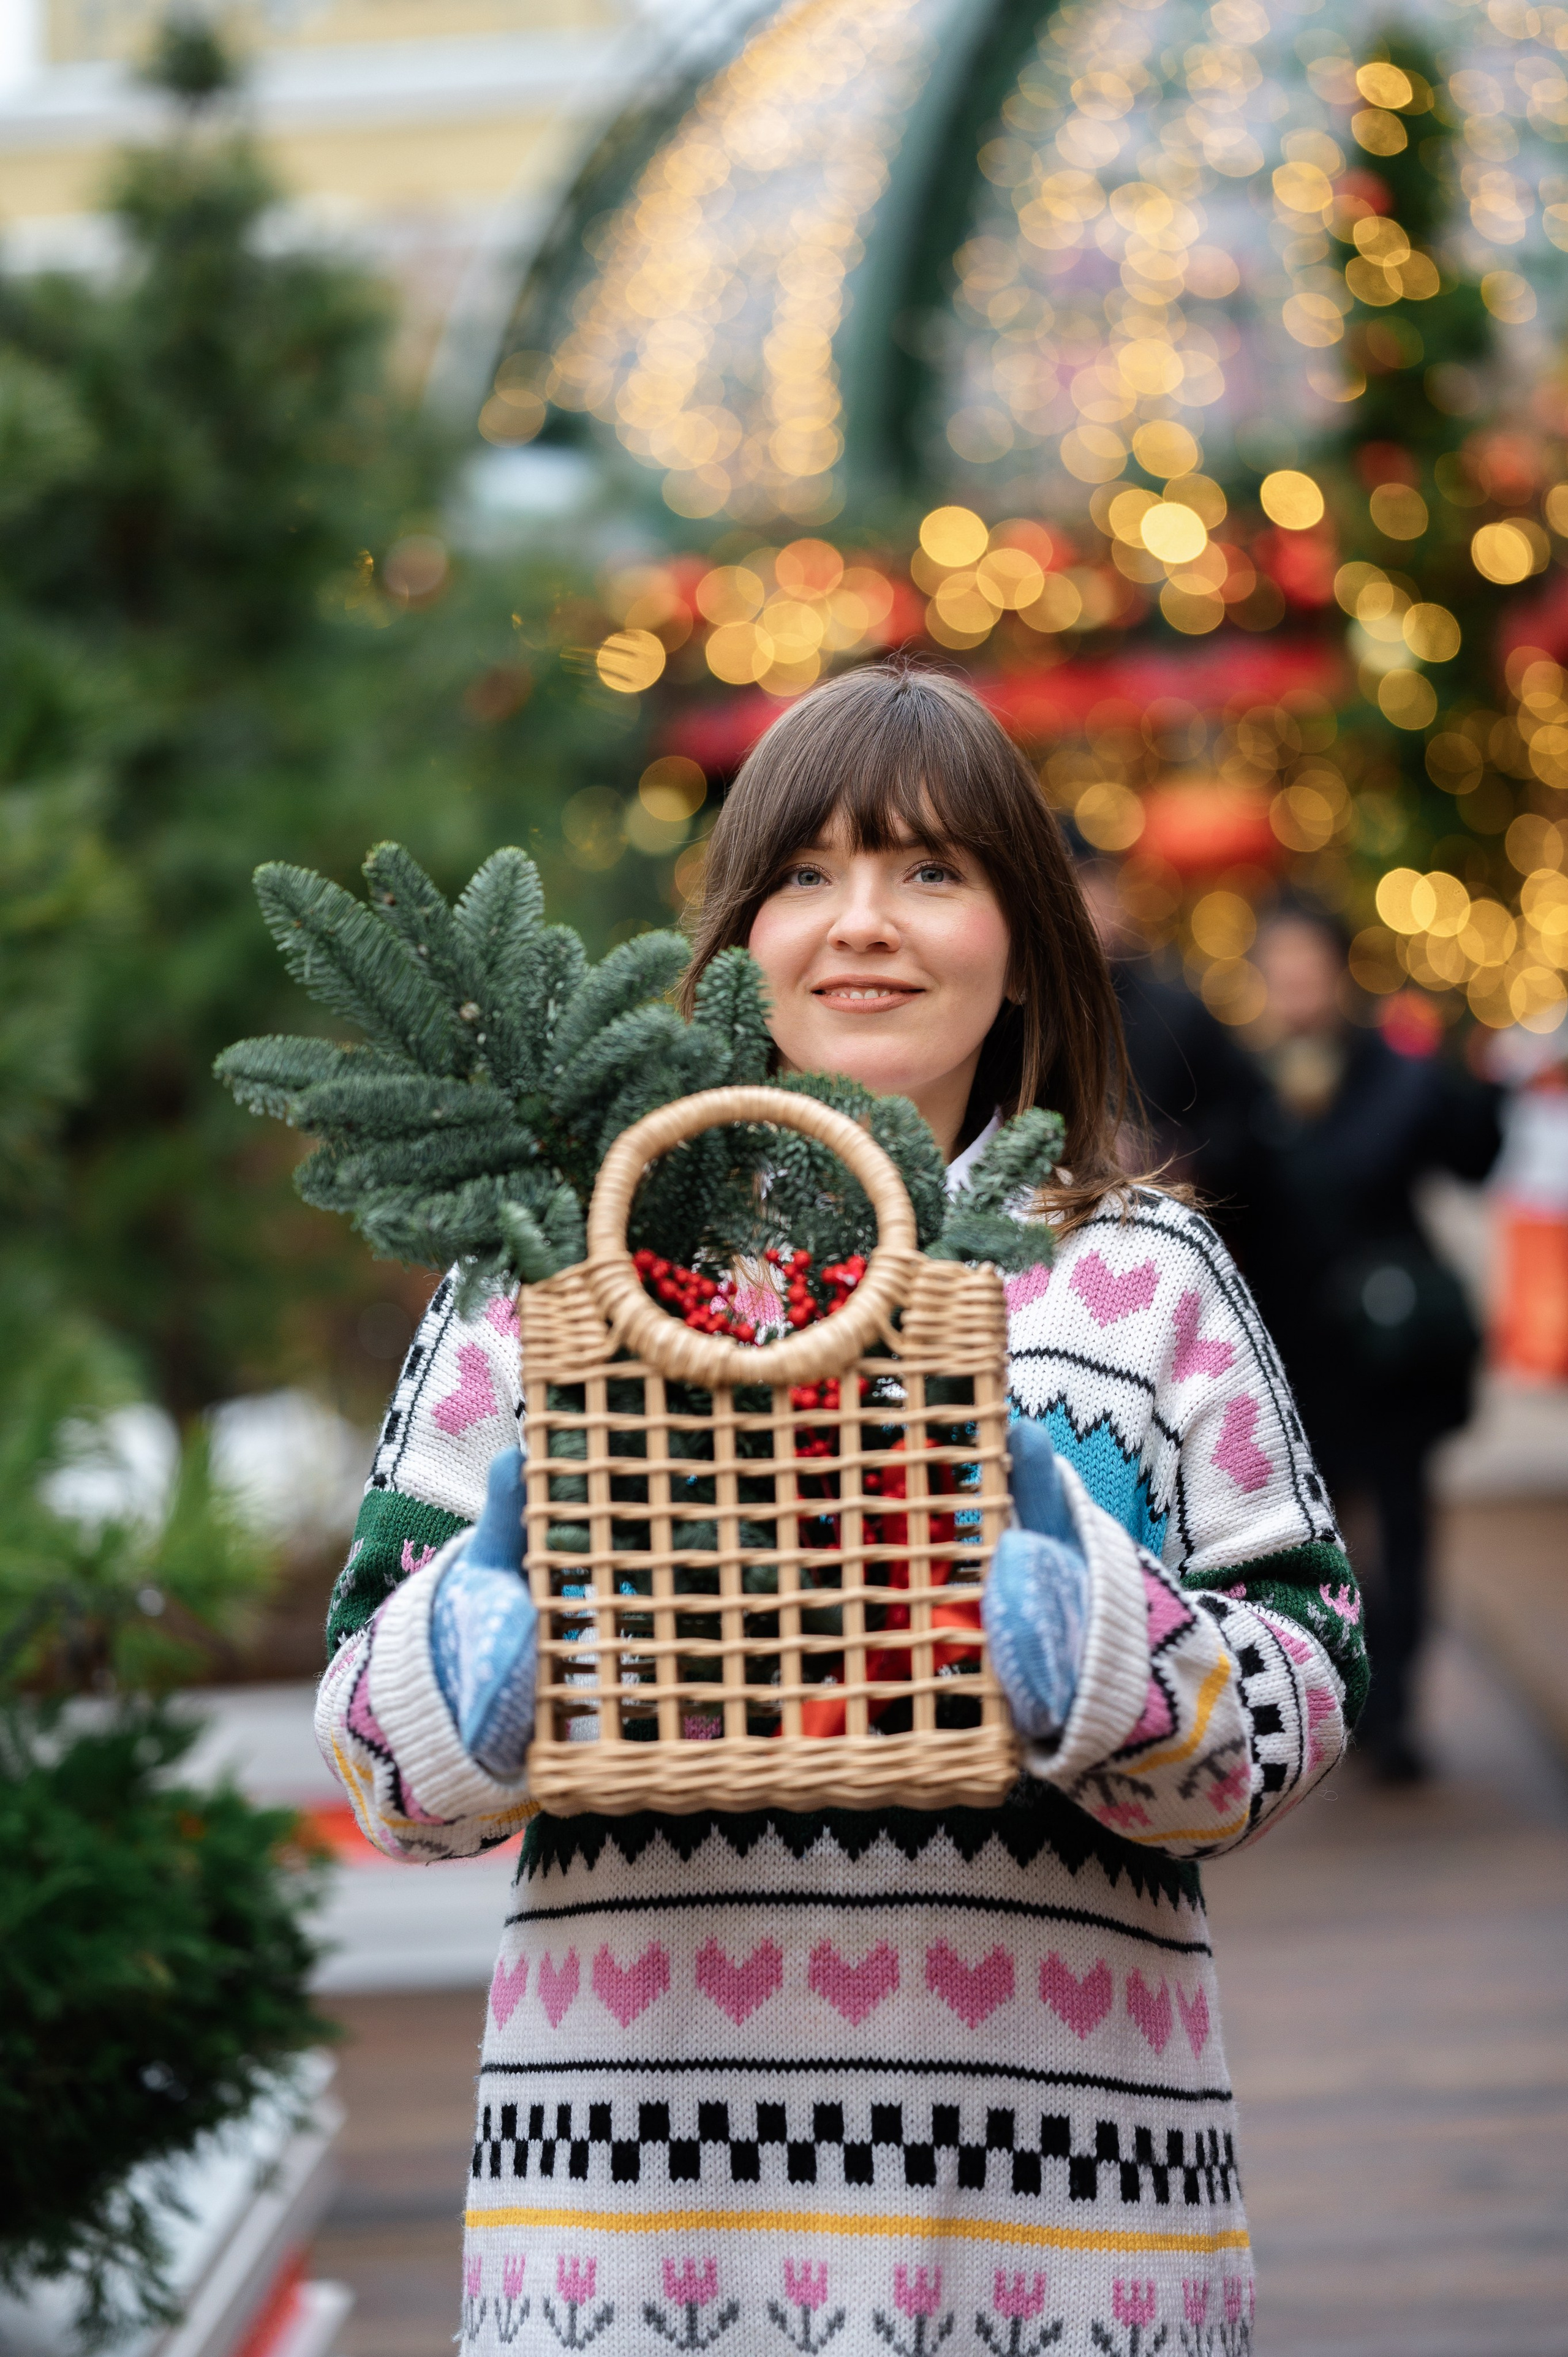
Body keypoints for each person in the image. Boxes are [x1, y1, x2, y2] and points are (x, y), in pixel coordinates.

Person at [317, 666, 1365, 2355]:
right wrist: (481, 1650)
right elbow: (375, 1760)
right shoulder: (566, 1273)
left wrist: (1102, 1647)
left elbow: (1313, 1675)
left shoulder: (1143, 1278)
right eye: (805, 873)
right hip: (632, 2217)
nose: (862, 925)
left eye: (932, 872)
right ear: (733, 937)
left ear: (1027, 932)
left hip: (1065, 2217)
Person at [1243, 905, 1501, 1782]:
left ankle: (1395, 1708)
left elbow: (1473, 1154)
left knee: (1399, 1517)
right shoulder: (1243, 1081)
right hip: (1295, 1345)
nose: (1294, 983)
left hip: (1390, 1347)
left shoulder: (1398, 1070)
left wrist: (1469, 1072)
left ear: (1338, 971)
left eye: (1305, 963)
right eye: (1278, 965)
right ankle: (1346, 1695)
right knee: (1324, 1531)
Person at [1074, 854, 1266, 1244]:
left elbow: (1247, 1120)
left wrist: (1171, 1157)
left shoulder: (1178, 1012)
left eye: (1094, 890)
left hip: (1168, 1229)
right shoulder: (1021, 1013)